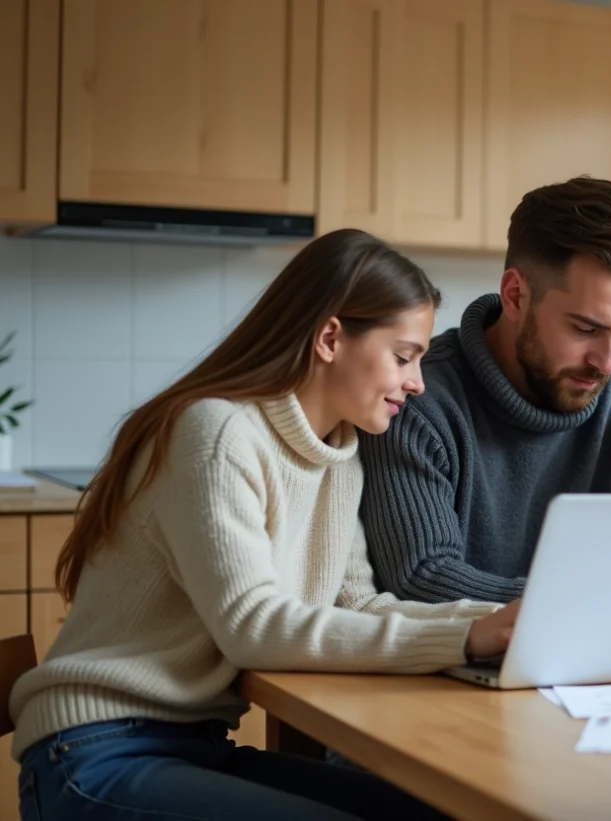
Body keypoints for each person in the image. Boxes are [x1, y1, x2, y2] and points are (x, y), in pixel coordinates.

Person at [9, 228, 519, 821]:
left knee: (433, 810)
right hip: (93, 753)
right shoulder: (218, 433)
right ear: (330, 337)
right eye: (403, 357)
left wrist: (492, 622)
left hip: (192, 748)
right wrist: (463, 640)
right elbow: (252, 626)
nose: (417, 382)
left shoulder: (339, 456)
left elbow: (356, 603)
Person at [360, 176, 611, 604]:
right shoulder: (415, 402)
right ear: (515, 295)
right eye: (586, 328)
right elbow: (423, 575)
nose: (606, 361)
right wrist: (586, 604)